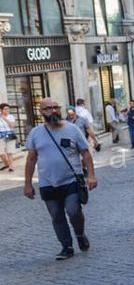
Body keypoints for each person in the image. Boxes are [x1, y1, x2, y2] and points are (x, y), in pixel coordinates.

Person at [22, 98, 97, 259]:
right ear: (41, 112)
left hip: (71, 180)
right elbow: (30, 159)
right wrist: (27, 184)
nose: (53, 110)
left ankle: (79, 234)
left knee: (73, 211)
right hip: (47, 182)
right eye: (48, 108)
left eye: (56, 107)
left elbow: (85, 153)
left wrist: (91, 175)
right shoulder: (36, 133)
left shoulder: (73, 129)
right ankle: (66, 246)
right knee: (56, 215)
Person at [0, 103, 18, 171]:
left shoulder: (11, 116)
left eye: (8, 109)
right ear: (1, 110)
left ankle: (11, 167)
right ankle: (6, 164)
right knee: (1, 152)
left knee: (9, 152)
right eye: (5, 109)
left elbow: (12, 125)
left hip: (10, 134)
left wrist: (5, 118)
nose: (7, 110)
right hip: (1, 135)